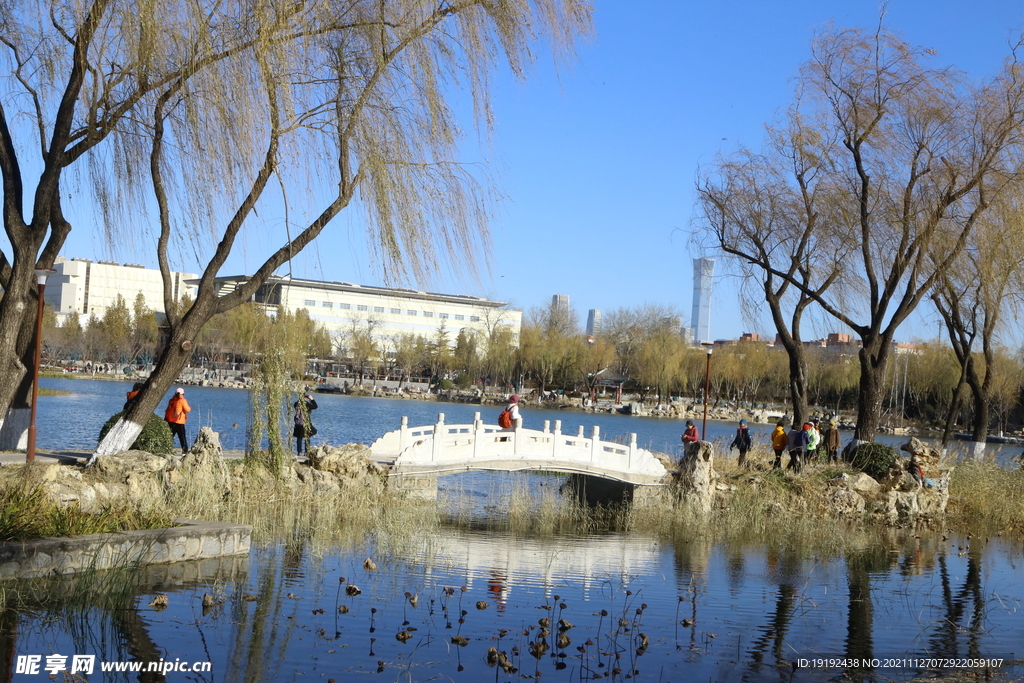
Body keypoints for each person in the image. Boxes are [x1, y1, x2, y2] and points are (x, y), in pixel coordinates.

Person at [164, 387, 191, 454]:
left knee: (169, 436)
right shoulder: (182, 400)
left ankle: (165, 449)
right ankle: (185, 451)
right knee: (182, 437)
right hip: (179, 421)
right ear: (183, 394)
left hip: (170, 421)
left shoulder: (171, 400)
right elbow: (188, 410)